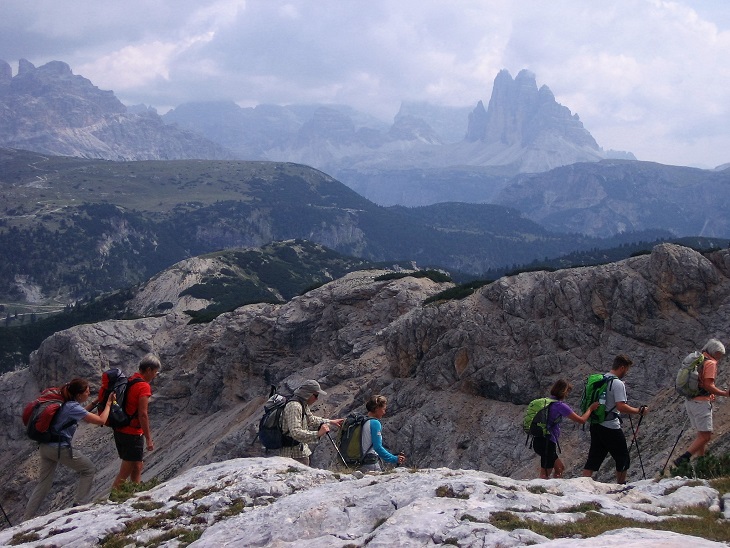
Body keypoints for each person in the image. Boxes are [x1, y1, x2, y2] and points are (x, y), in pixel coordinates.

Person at [24, 378, 114, 520]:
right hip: (58, 448)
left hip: (45, 447)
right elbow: (101, 420)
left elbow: (79, 415)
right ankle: (79, 506)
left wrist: (96, 401)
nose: (88, 393)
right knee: (88, 469)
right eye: (87, 391)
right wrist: (108, 403)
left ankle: (26, 519)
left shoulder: (66, 403)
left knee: (44, 484)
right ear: (79, 395)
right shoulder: (72, 407)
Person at [582, 354, 648, 484]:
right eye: (626, 369)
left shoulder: (602, 379)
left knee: (594, 457)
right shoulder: (617, 383)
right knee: (623, 457)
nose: (626, 372)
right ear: (622, 367)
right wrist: (638, 411)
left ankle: (582, 485)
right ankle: (621, 486)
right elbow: (621, 406)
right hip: (610, 425)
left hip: (596, 423)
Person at [674, 338, 729, 466]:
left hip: (691, 401)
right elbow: (708, 385)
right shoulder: (710, 363)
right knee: (706, 436)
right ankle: (683, 459)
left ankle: (701, 461)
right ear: (714, 352)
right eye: (719, 354)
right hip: (701, 404)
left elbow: (701, 384)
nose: (720, 358)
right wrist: (724, 393)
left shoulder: (698, 360)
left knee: (701, 434)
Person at [110, 353, 161, 489]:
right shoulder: (144, 386)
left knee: (137, 464)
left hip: (120, 430)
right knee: (125, 472)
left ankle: (134, 493)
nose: (155, 375)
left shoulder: (130, 379)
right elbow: (143, 414)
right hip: (132, 433)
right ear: (149, 370)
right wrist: (148, 438)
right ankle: (112, 500)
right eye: (155, 372)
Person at [533, 380, 598, 479]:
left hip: (538, 440)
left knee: (559, 468)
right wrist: (591, 409)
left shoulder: (546, 401)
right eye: (567, 391)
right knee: (544, 475)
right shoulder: (560, 405)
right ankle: (542, 492)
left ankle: (554, 490)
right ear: (563, 391)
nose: (567, 394)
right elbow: (581, 420)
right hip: (547, 443)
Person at [280, 380, 344, 466]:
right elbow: (295, 432)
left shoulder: (302, 404)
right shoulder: (294, 406)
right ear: (308, 394)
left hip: (300, 452)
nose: (317, 399)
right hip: (293, 455)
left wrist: (330, 421)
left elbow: (311, 419)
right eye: (316, 395)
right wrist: (318, 434)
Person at [359, 395, 406, 472]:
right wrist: (394, 459)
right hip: (370, 463)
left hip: (358, 462)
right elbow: (377, 447)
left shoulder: (362, 421)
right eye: (383, 409)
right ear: (377, 408)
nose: (384, 412)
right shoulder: (375, 423)